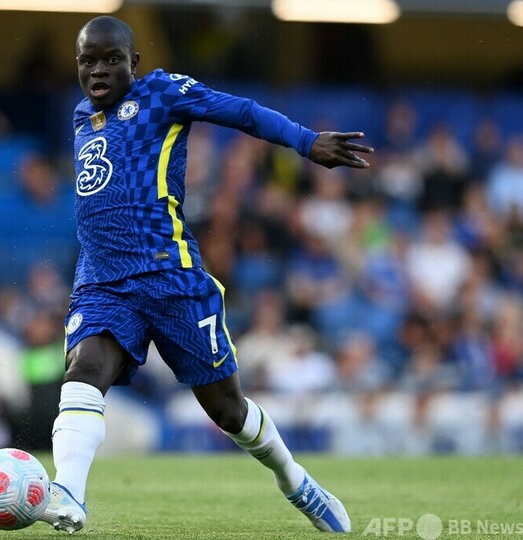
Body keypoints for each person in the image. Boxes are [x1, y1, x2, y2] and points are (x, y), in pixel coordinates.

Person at [38, 16, 373, 535]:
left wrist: (307, 143)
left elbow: (240, 111)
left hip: (171, 278)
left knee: (227, 409)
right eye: (88, 60)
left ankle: (295, 479)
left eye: (111, 59)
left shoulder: (164, 92)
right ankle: (70, 494)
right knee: (84, 372)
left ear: (135, 63)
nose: (98, 70)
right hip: (103, 282)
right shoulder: (83, 116)